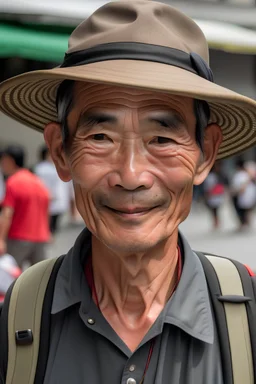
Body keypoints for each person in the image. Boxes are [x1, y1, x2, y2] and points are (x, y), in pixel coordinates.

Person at [0, 1, 256, 383]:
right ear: (60, 152)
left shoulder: (248, 316)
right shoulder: (18, 314)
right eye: (101, 137)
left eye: (163, 138)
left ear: (206, 155)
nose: (131, 175)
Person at [0, 145, 50, 268]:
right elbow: (46, 208)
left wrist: (1, 239)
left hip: (18, 238)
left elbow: (7, 214)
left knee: (11, 277)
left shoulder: (13, 182)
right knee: (40, 279)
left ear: (10, 161)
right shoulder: (37, 181)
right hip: (41, 238)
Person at [34, 145, 70, 235]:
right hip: (49, 199)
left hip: (59, 200)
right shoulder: (42, 168)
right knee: (48, 223)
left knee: (54, 224)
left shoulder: (58, 166)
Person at [231, 158, 256, 229]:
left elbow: (241, 188)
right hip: (249, 195)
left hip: (244, 196)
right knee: (248, 210)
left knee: (244, 210)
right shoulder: (246, 175)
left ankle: (245, 224)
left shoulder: (239, 175)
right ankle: (247, 223)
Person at [204, 162, 226, 228]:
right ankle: (216, 221)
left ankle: (216, 222)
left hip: (213, 195)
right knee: (215, 210)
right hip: (215, 195)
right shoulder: (215, 175)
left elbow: (209, 187)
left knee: (214, 210)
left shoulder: (211, 176)